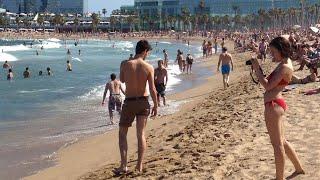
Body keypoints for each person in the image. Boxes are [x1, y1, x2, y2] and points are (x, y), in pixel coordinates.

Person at [251, 37, 305, 180]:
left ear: (281, 50)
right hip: (276, 103)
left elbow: (268, 86)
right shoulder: (285, 63)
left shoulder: (285, 67)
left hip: (273, 105)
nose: (271, 54)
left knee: (277, 145)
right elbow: (271, 83)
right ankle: (299, 169)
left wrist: (257, 69)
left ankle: (279, 178)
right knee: (282, 141)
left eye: (274, 51)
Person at [116, 40, 157, 174]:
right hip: (143, 102)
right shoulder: (148, 67)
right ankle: (139, 166)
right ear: (144, 51)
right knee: (141, 134)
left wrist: (124, 66)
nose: (147, 55)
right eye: (148, 52)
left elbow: (122, 80)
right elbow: (152, 89)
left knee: (122, 134)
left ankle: (123, 166)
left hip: (129, 102)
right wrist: (156, 105)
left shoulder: (125, 64)